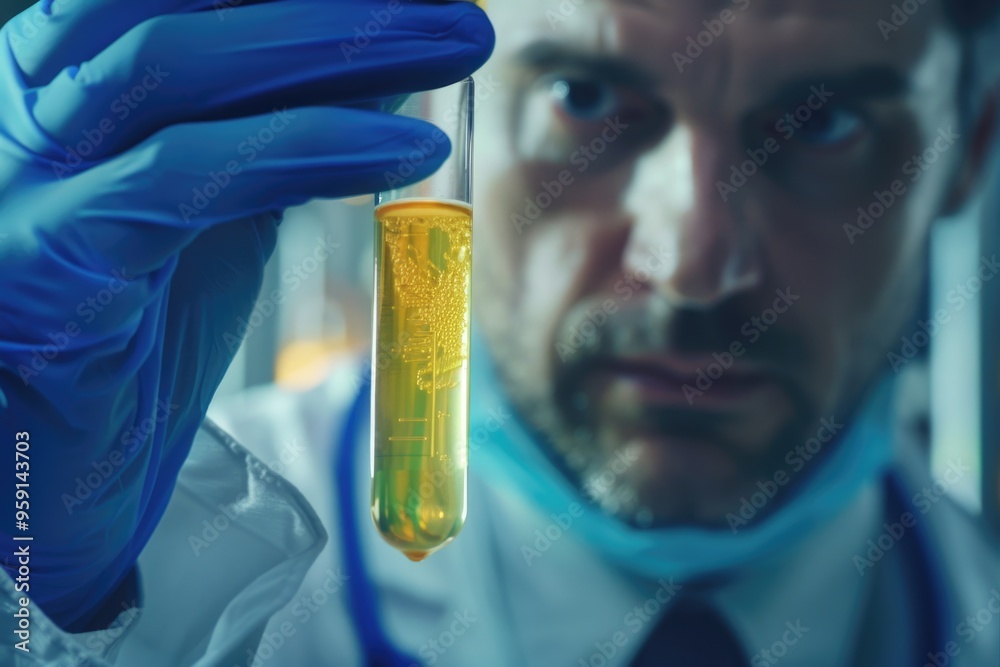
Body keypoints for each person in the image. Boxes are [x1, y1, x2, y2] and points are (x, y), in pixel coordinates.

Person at [0, 0, 997, 665]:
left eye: (821, 123)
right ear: (432, 92)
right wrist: (36, 601)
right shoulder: (123, 560)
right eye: (584, 99)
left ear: (970, 149)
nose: (692, 265)